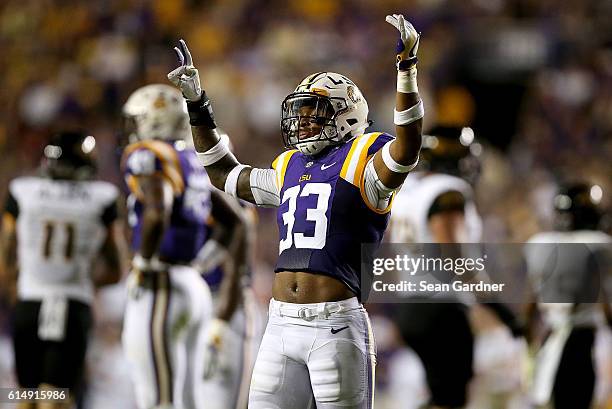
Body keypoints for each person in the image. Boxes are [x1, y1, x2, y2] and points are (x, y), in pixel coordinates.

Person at [168, 13, 423, 409]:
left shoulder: (363, 156)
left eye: (315, 112)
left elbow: (407, 148)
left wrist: (406, 69)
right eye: (301, 112)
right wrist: (197, 104)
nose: (303, 121)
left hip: (335, 325)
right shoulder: (291, 165)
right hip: (280, 323)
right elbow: (224, 173)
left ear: (345, 116)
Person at [120, 84, 248, 409]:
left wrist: (145, 263)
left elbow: (157, 210)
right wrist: (205, 259)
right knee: (189, 400)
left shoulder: (151, 154)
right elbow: (236, 221)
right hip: (194, 285)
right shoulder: (193, 159)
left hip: (162, 281)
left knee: (158, 399)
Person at [389, 125, 525, 409]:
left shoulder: (409, 191)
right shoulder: (447, 192)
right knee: (452, 399)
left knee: (441, 395)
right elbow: (454, 255)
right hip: (441, 309)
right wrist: (495, 306)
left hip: (410, 304)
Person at [0, 130, 127, 409]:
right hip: (72, 303)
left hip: (29, 301)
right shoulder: (102, 197)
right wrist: (84, 280)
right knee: (56, 398)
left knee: (27, 397)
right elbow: (118, 268)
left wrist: (15, 285)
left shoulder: (23, 191)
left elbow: (6, 255)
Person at [525, 182, 611, 409]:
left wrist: (527, 339)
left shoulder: (539, 244)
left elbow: (532, 301)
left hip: (550, 336)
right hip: (579, 342)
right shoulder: (600, 246)